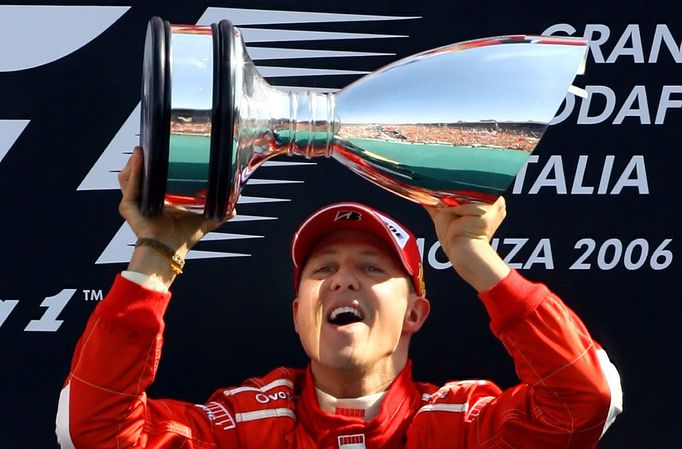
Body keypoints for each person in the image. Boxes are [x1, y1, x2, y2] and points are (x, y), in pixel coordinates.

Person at [56, 147, 622, 449]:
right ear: (298, 314)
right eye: (323, 269)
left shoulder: (465, 425)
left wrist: (475, 257)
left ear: (415, 314)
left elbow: (586, 400)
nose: (343, 280)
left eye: (372, 268)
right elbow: (96, 431)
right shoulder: (239, 427)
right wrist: (156, 251)